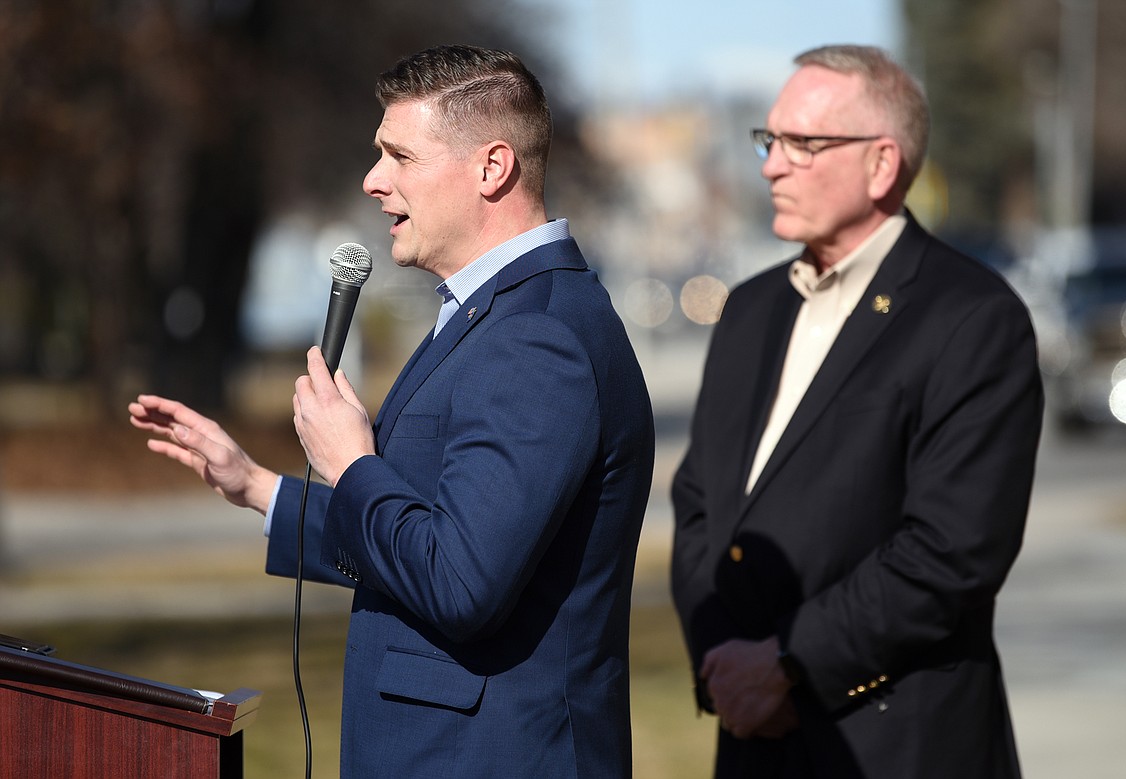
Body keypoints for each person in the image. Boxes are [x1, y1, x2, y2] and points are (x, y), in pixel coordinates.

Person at [130, 45, 654, 778]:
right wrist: (257, 486)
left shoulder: (539, 336)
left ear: (491, 167)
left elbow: (459, 581)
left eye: (398, 155)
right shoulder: (491, 315)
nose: (374, 181)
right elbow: (423, 531)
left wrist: (352, 461)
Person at [670, 44, 1043, 778]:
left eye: (803, 143)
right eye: (768, 140)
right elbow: (698, 507)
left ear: (882, 164)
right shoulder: (748, 309)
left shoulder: (972, 317)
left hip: (897, 743)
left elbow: (952, 551)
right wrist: (726, 663)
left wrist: (785, 662)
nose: (772, 164)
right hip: (753, 741)